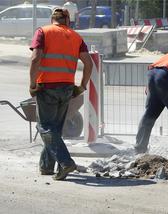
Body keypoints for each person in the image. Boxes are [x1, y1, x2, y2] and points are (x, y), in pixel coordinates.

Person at [29, 8, 93, 180]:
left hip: (47, 87)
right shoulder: (76, 36)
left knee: (45, 127)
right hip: (66, 88)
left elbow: (35, 59)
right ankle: (46, 167)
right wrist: (82, 85)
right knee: (55, 128)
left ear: (52, 19)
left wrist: (32, 84)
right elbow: (89, 63)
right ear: (67, 21)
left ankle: (66, 163)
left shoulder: (43, 31)